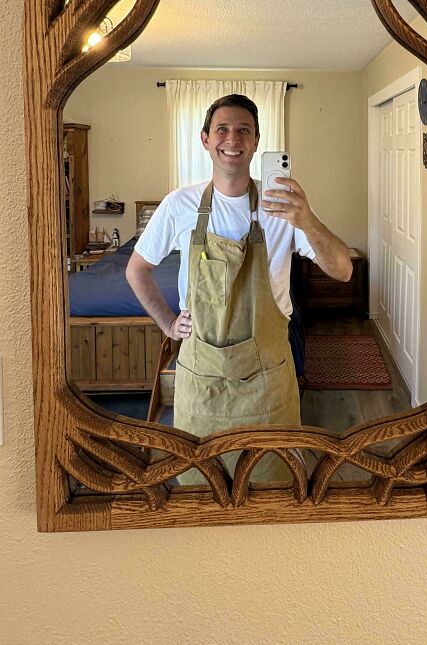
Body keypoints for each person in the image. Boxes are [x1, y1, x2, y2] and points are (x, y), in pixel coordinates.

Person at [126, 93, 352, 483]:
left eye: (243, 130)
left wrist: (308, 218)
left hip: (268, 384)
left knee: (272, 487)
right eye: (223, 129)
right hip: (202, 386)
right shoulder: (180, 205)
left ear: (256, 142)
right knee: (201, 488)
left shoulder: (282, 208)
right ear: (205, 139)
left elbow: (344, 270)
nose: (233, 139)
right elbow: (137, 270)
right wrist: (166, 323)